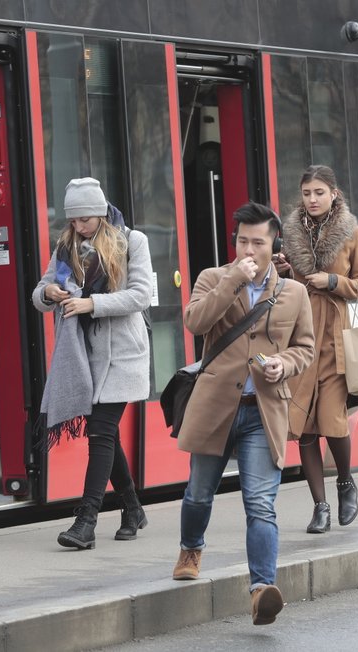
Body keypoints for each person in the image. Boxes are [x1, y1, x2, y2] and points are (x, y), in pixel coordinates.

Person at [172, 202, 314, 626]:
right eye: (242, 241)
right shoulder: (213, 278)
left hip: (263, 411)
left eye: (258, 241)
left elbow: (304, 349)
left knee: (261, 505)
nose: (249, 248)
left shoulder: (294, 293)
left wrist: (283, 365)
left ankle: (261, 591)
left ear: (275, 245)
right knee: (199, 493)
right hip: (216, 405)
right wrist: (234, 279)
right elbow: (195, 322)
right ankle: (191, 546)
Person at [32, 177, 153, 548]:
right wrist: (49, 293)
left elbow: (141, 295)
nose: (78, 226)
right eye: (73, 220)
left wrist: (92, 304)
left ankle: (86, 521)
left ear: (100, 213)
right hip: (86, 356)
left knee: (100, 432)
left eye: (85, 219)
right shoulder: (66, 246)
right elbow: (38, 292)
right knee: (106, 434)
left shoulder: (133, 241)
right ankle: (132, 507)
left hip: (123, 356)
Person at [275, 165, 358, 533]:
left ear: (333, 193)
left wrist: (332, 280)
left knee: (332, 421)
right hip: (299, 337)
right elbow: (283, 285)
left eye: (319, 192)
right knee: (302, 425)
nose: (312, 199)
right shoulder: (291, 234)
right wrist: (284, 270)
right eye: (306, 193)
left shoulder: (352, 232)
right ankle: (320, 506)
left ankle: (346, 481)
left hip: (333, 337)